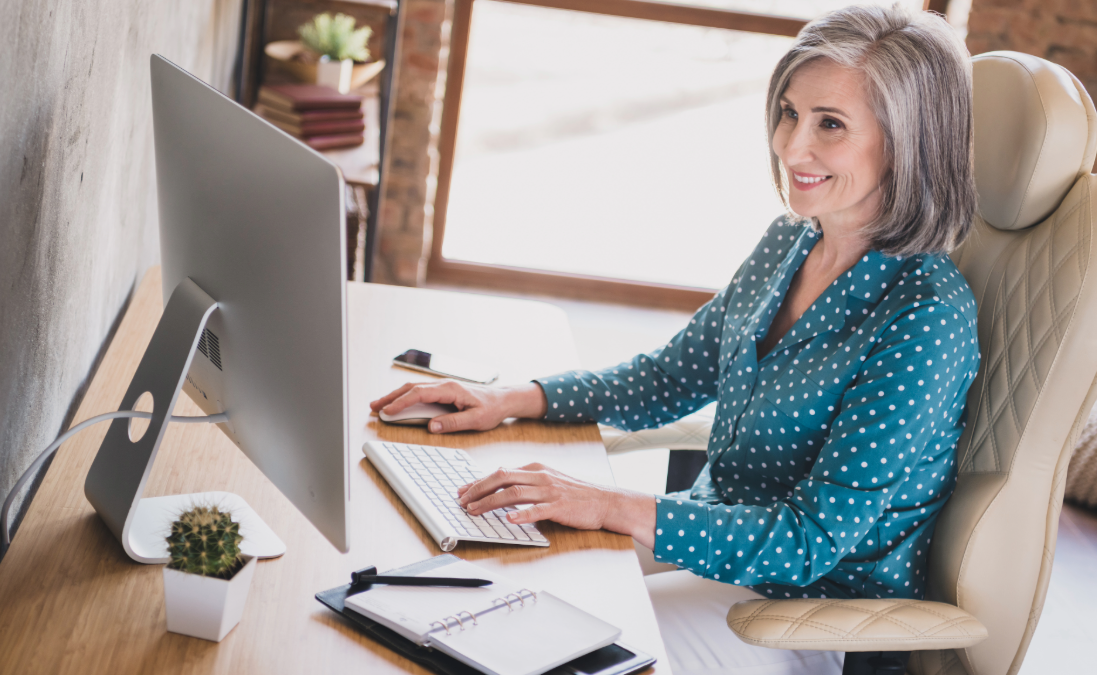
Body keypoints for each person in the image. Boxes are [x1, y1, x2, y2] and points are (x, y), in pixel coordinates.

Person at [372, 5, 980, 674]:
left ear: (908, 141)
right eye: (789, 112)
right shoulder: (792, 240)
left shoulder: (925, 317)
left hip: (808, 610)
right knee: (477, 583)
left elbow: (809, 541)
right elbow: (669, 376)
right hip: (710, 538)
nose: (791, 146)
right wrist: (513, 398)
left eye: (830, 124)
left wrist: (605, 502)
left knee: (535, 648)